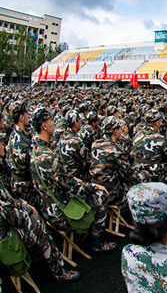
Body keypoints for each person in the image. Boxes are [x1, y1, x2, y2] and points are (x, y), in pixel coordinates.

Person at [29, 107, 117, 254]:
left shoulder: (36, 147)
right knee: (101, 196)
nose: (54, 123)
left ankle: (83, 235)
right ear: (44, 125)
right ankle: (96, 242)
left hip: (46, 204)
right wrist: (94, 186)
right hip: (59, 209)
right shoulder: (47, 156)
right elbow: (74, 187)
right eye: (50, 120)